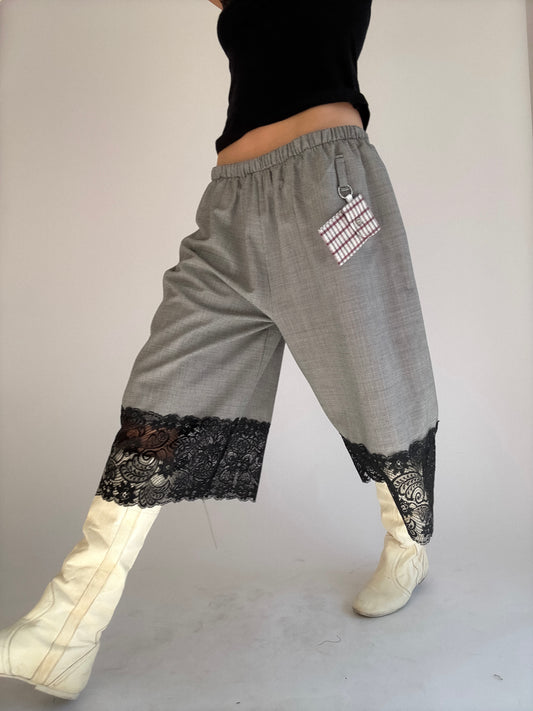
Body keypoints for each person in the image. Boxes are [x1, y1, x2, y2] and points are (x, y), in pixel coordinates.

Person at [0, 0, 439, 700]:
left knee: (376, 379)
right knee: (161, 397)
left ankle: (407, 543)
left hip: (328, 191)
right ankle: (66, 627)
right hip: (231, 206)